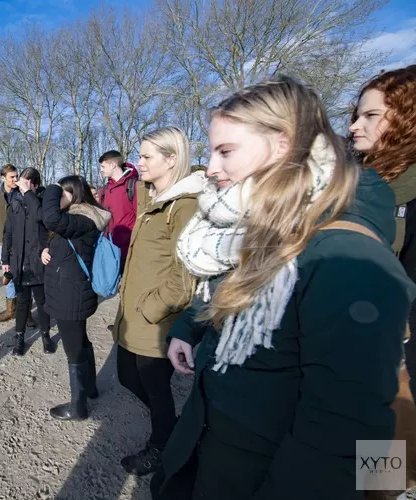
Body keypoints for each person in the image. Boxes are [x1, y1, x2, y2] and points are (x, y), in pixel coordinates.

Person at [149, 77, 414, 500]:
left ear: (282, 144)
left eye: (227, 151)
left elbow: (342, 430)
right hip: (210, 446)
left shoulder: (346, 259)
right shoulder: (263, 227)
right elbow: (232, 289)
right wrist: (191, 325)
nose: (211, 167)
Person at [112, 127, 202, 476]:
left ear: (172, 159)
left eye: (147, 156)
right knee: (126, 377)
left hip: (156, 320)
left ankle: (162, 445)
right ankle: (175, 429)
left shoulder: (184, 206)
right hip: (131, 316)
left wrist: (150, 309)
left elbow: (185, 276)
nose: (139, 162)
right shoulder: (153, 199)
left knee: (155, 388)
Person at [350, 65, 416, 399]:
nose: (354, 126)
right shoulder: (357, 186)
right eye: (357, 115)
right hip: (350, 359)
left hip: (395, 374)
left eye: (371, 115)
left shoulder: (408, 193)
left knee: (383, 451)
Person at [42, 175, 111, 421]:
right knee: (81, 341)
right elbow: (61, 238)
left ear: (75, 194)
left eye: (62, 193)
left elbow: (50, 218)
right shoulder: (78, 217)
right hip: (72, 291)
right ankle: (90, 389)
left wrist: (51, 186)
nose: (57, 197)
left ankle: (78, 407)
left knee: (74, 350)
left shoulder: (83, 218)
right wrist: (47, 251)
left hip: (70, 296)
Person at [3, 167, 54, 356]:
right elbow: (7, 233)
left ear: (35, 184)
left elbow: (44, 219)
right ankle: (19, 338)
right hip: (19, 261)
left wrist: (29, 193)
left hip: (39, 260)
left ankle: (46, 336)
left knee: (42, 301)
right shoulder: (15, 203)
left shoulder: (44, 201)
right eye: (20, 182)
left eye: (25, 182)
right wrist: (5, 259)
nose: (21, 186)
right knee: (23, 301)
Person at [0, 164, 35, 327]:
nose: (15, 179)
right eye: (12, 177)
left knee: (26, 275)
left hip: (22, 242)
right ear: (3, 178)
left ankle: (28, 313)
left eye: (16, 176)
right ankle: (10, 311)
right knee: (8, 276)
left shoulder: (21, 194)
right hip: (3, 242)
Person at [98, 150, 139, 264]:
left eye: (103, 166)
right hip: (109, 249)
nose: (101, 170)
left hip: (130, 249)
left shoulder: (134, 186)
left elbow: (141, 217)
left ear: (113, 165)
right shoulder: (103, 191)